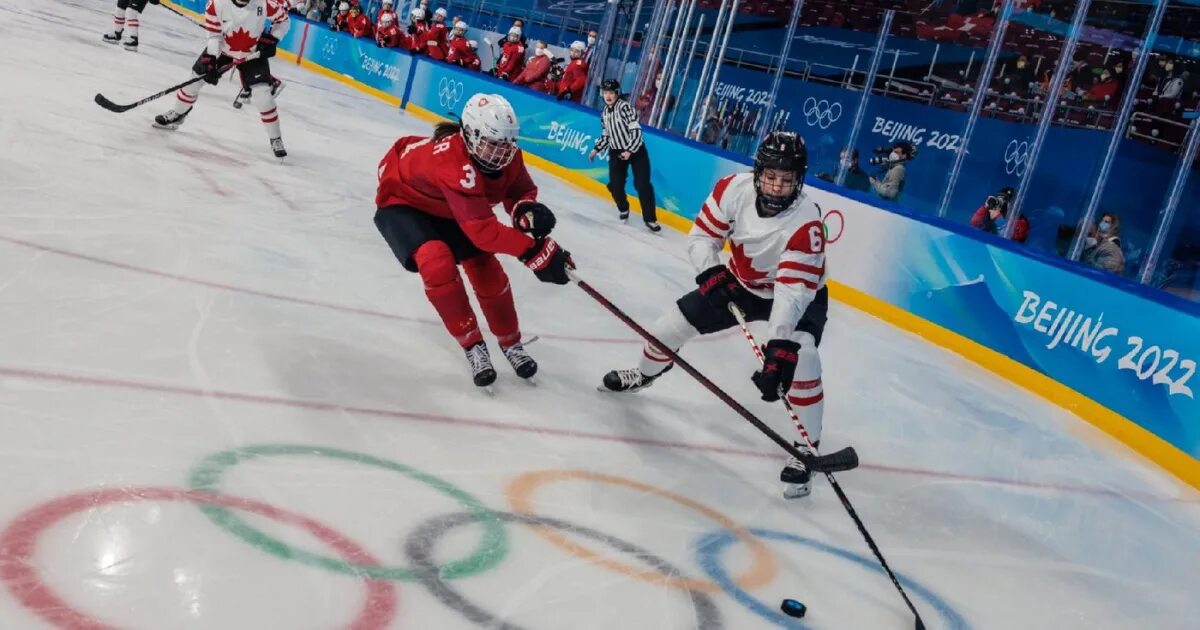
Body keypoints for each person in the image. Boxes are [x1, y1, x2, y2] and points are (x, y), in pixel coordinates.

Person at [601, 131, 829, 499]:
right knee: (666, 328)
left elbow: (791, 294)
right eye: (771, 176)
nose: (777, 187)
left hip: (798, 296)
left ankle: (807, 447)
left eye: (787, 180)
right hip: (739, 282)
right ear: (758, 173)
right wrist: (711, 273)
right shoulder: (732, 190)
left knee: (803, 359)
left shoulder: (806, 224)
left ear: (798, 181)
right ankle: (644, 375)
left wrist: (778, 349)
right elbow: (701, 238)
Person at [374, 94, 576, 388]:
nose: (500, 152)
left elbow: (519, 190)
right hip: (404, 202)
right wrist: (533, 252)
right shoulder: (453, 163)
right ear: (468, 134)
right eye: (492, 143)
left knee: (484, 266)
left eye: (506, 143)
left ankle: (511, 342)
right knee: (436, 262)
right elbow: (482, 231)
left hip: (447, 204)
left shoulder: (506, 154)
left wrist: (525, 212)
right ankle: (472, 344)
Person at [153, 0, 290, 159]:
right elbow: (214, 35)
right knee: (193, 80)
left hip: (252, 54)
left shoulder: (265, 3)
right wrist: (211, 58)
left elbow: (283, 20)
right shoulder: (216, 4)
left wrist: (272, 38)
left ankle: (276, 138)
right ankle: (177, 114)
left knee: (263, 97)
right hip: (223, 50)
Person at [589, 79, 659, 232]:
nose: (608, 96)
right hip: (616, 151)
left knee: (642, 184)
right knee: (615, 185)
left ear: (617, 93)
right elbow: (606, 134)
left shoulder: (625, 108)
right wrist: (596, 149)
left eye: (611, 93)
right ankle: (623, 207)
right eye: (605, 93)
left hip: (636, 150)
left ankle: (650, 219)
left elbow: (636, 130)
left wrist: (630, 150)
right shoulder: (605, 113)